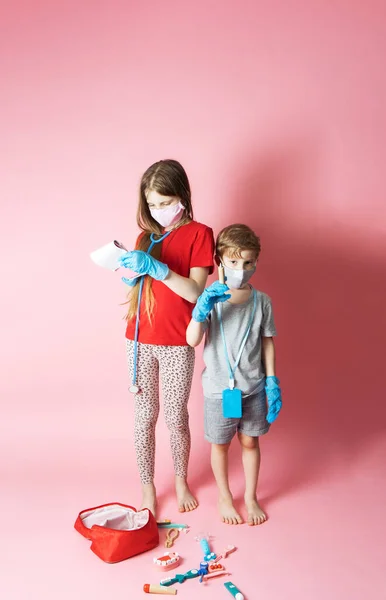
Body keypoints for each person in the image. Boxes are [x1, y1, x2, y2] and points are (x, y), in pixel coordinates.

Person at [118, 159, 214, 518]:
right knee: (144, 417)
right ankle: (147, 487)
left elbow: (193, 293)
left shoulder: (200, 234)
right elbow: (145, 285)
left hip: (176, 342)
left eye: (165, 202)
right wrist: (133, 273)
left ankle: (181, 480)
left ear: (183, 196)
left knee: (176, 417)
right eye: (152, 204)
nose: (159, 211)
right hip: (139, 338)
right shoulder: (146, 236)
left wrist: (159, 269)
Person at [186, 224, 282, 526]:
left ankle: (251, 496)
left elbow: (267, 342)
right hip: (219, 390)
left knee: (251, 443)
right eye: (233, 262)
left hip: (253, 388)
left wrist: (271, 380)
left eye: (248, 262)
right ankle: (225, 495)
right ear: (220, 261)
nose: (241, 269)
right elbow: (192, 339)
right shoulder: (211, 299)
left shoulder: (262, 301)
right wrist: (200, 311)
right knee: (221, 445)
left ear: (256, 262)